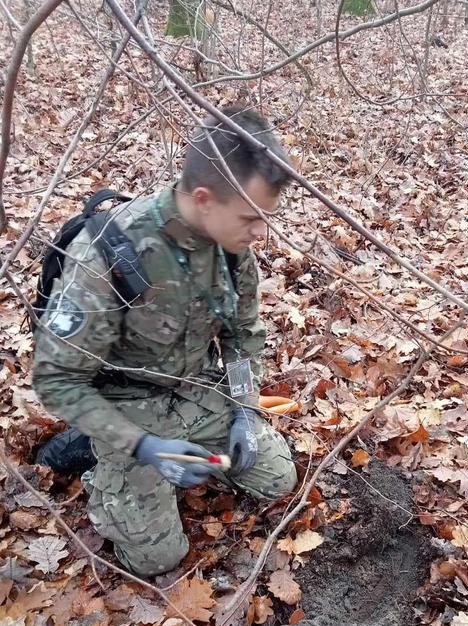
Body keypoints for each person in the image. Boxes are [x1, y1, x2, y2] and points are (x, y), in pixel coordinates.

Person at [32, 105, 297, 578]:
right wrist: (141, 446)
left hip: (194, 387)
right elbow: (56, 379)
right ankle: (94, 454)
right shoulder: (109, 253)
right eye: (251, 216)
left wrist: (245, 410)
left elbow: (243, 337)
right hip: (124, 404)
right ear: (203, 198)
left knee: (278, 478)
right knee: (158, 560)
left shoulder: (232, 248)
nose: (262, 230)